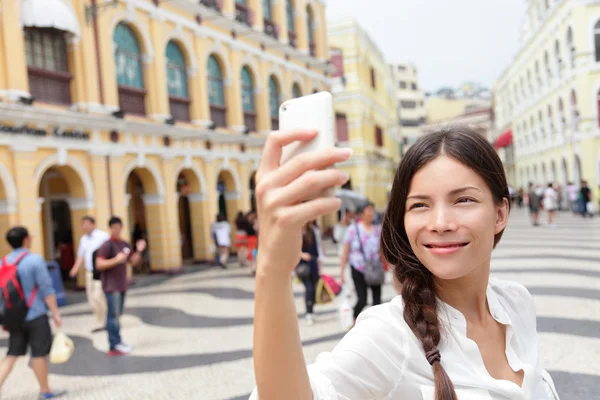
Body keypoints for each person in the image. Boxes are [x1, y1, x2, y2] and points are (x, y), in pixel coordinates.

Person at [251, 128, 559, 400]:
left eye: (463, 200)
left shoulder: (516, 303)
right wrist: (273, 271)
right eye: (420, 205)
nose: (440, 223)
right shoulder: (390, 334)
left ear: (500, 213)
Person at [0, 227, 66, 399]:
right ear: (26, 239)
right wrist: (56, 314)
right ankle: (45, 390)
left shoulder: (3, 262)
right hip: (35, 315)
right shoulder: (35, 260)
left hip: (13, 316)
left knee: (12, 354)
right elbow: (47, 289)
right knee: (38, 354)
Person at [96, 216, 146, 356]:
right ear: (110, 228)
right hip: (110, 287)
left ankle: (119, 341)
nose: (116, 230)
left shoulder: (124, 244)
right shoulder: (107, 245)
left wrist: (139, 250)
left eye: (118, 227)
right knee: (112, 315)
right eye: (114, 228)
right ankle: (113, 345)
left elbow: (133, 262)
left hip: (121, 285)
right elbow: (99, 264)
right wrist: (115, 260)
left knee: (118, 315)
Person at [339, 202, 383, 320]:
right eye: (368, 210)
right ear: (361, 214)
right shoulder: (353, 230)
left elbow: (381, 250)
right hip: (358, 268)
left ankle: (377, 325)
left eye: (372, 210)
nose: (371, 213)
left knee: (377, 301)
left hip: (374, 268)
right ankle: (354, 320)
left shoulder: (377, 230)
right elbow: (345, 253)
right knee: (362, 299)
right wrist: (342, 272)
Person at [69, 216, 110, 332]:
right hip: (89, 271)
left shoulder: (102, 237)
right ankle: (100, 320)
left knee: (98, 296)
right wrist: (75, 269)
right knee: (91, 298)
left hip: (100, 272)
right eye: (82, 224)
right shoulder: (83, 239)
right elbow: (81, 256)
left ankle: (107, 319)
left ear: (93, 224)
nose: (84, 227)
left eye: (86, 224)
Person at [299, 222, 321, 326]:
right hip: (302, 266)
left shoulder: (311, 231)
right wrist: (301, 255)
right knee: (309, 289)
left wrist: (319, 264)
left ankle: (311, 309)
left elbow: (316, 250)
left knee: (314, 289)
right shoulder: (295, 232)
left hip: (313, 265)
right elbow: (289, 249)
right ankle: (309, 313)